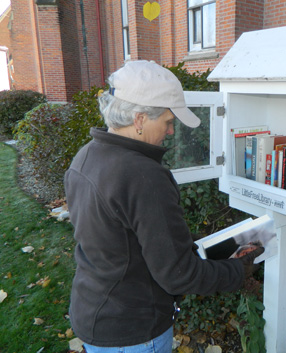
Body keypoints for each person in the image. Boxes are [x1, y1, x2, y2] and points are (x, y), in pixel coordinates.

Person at [64, 60, 264, 353]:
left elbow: (121, 239)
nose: (171, 131)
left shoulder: (85, 158)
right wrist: (239, 272)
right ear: (140, 119)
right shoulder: (144, 175)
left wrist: (195, 245)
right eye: (168, 122)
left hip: (94, 313)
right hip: (134, 330)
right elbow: (178, 275)